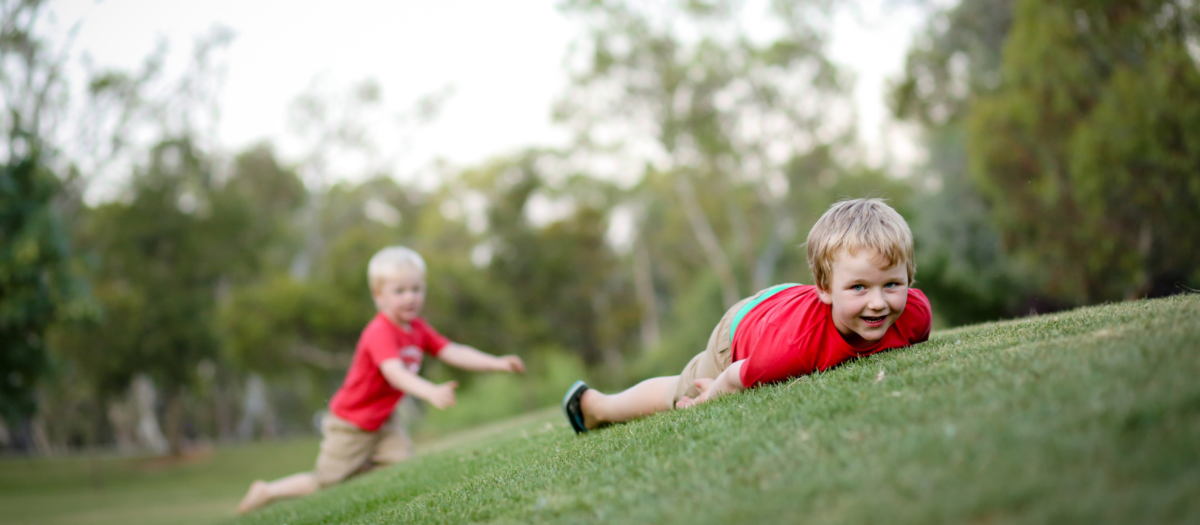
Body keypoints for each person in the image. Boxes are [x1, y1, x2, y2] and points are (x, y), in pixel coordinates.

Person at [563, 198, 931, 432]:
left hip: (781, 308)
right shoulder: (792, 348)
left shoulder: (915, 314)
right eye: (859, 288)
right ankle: (597, 406)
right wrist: (713, 394)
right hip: (741, 331)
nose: (879, 303)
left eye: (892, 285)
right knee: (683, 390)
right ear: (825, 288)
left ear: (908, 280)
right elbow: (737, 377)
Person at [237, 246, 525, 513]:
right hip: (352, 423)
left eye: (416, 289)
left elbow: (451, 350)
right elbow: (394, 373)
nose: (410, 297)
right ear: (379, 296)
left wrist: (495, 363)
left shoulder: (418, 329)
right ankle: (266, 491)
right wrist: (428, 391)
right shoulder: (380, 331)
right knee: (325, 482)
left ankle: (381, 487)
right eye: (399, 291)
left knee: (405, 468)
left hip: (384, 421)